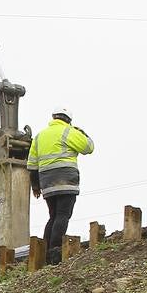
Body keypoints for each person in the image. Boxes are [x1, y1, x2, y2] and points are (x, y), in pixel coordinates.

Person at [28, 107, 95, 264]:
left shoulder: (40, 136)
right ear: (68, 120)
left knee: (53, 215)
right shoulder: (69, 132)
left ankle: (44, 251)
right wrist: (82, 133)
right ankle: (55, 250)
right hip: (66, 179)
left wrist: (35, 186)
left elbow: (31, 164)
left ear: (54, 117)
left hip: (46, 181)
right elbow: (88, 148)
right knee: (63, 214)